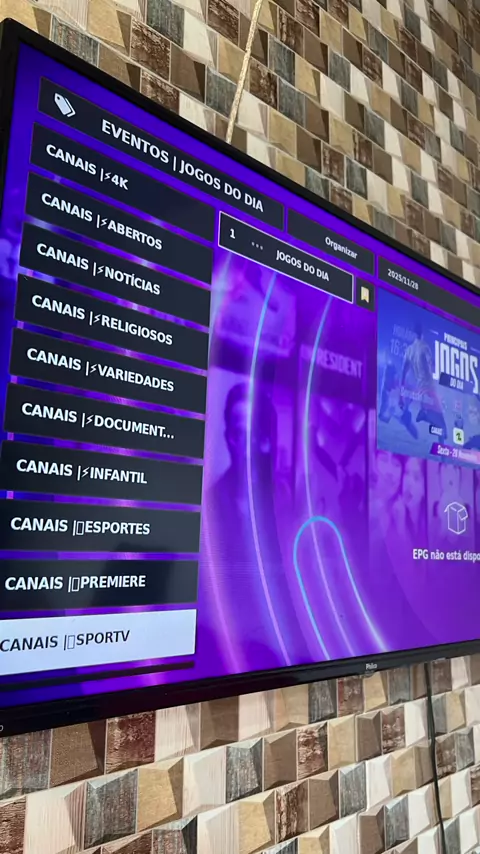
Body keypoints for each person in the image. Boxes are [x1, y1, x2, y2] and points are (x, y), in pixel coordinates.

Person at [399, 323, 447, 443]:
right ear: (422, 333)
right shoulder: (424, 347)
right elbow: (431, 364)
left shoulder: (409, 350)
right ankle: (425, 415)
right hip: (430, 389)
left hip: (421, 390)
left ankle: (442, 454)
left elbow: (403, 373)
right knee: (443, 429)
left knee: (440, 428)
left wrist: (401, 396)